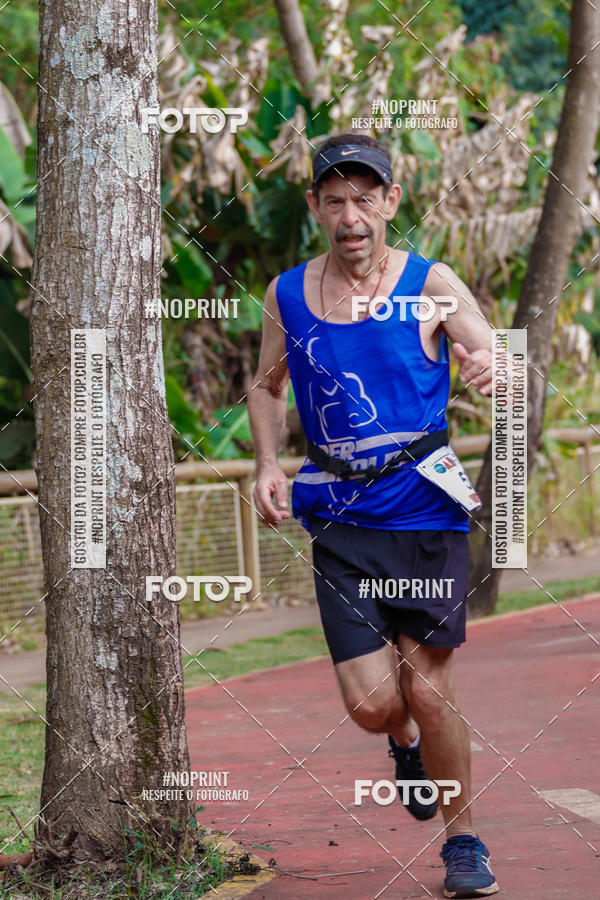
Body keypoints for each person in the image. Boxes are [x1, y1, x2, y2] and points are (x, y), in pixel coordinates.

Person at [248, 132, 499, 899]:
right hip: (339, 516)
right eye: (335, 201)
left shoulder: (433, 283)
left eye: (365, 198)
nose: (350, 216)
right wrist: (266, 463)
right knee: (372, 706)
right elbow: (265, 386)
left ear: (391, 202)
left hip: (424, 511)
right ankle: (404, 745)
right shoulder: (287, 294)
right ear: (318, 209)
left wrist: (494, 364)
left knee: (426, 685)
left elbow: (499, 355)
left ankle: (464, 843)